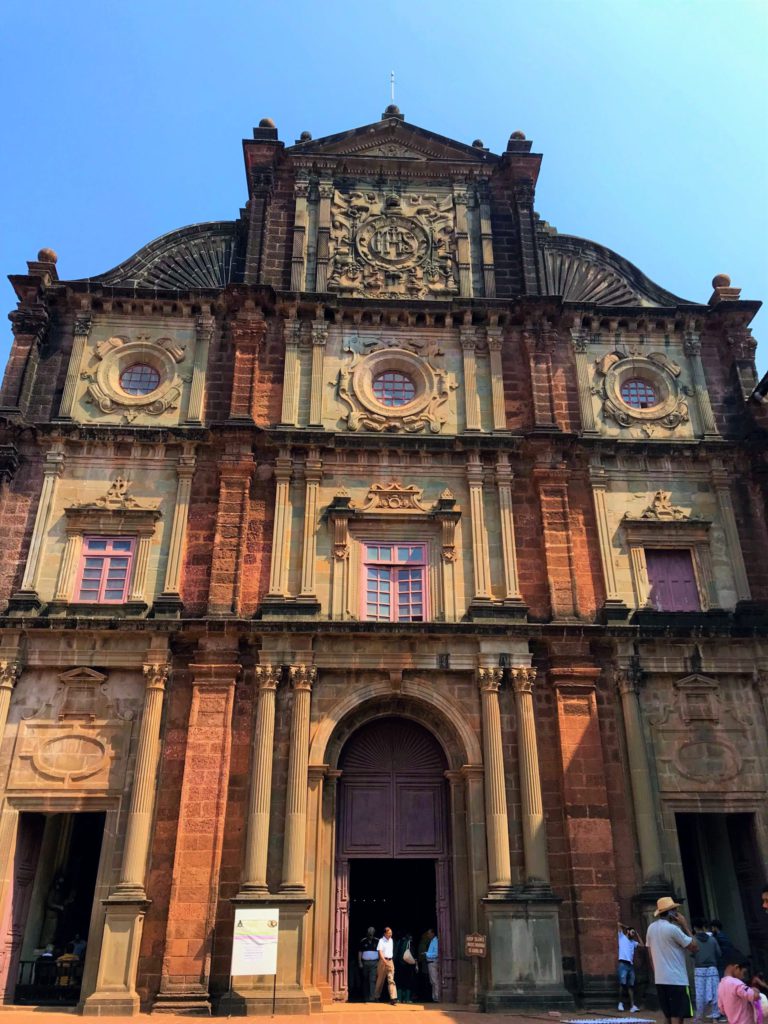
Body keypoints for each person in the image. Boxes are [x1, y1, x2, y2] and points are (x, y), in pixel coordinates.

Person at [646, 896, 699, 1024]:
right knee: (677, 1016)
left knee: (668, 1015)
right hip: (676, 979)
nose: (677, 913)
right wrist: (685, 925)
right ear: (671, 913)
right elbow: (694, 947)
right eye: (675, 910)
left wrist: (657, 973)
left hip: (660, 978)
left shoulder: (651, 928)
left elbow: (650, 954)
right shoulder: (673, 929)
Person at [692, 919, 721, 1022]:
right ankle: (715, 1018)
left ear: (694, 928)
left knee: (700, 995)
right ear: (704, 927)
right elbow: (719, 953)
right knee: (715, 994)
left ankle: (700, 1018)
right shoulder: (713, 939)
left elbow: (692, 953)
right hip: (713, 970)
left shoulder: (693, 940)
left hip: (699, 970)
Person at [717, 958, 759, 1024]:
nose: (743, 977)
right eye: (744, 973)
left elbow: (721, 1009)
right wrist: (755, 990)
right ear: (736, 967)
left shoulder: (721, 984)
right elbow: (755, 996)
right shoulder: (737, 984)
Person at [617, 922, 644, 1012]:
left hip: (630, 965)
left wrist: (637, 934)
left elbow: (643, 946)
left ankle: (632, 1006)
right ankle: (620, 1003)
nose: (633, 934)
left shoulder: (633, 943)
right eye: (632, 932)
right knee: (622, 984)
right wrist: (627, 926)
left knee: (631, 985)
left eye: (634, 933)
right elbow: (618, 924)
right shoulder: (621, 937)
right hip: (623, 964)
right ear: (627, 932)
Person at [374, 926, 398, 1005]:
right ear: (385, 933)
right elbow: (380, 952)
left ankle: (393, 998)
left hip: (390, 961)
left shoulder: (391, 940)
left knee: (391, 980)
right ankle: (376, 997)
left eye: (391, 933)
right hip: (383, 961)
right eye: (389, 933)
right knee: (380, 980)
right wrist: (384, 961)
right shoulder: (381, 941)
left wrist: (389, 961)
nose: (390, 935)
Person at [394, 932, 418, 1004]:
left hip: (399, 965)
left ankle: (399, 999)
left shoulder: (398, 942)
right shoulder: (410, 943)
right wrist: (416, 965)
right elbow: (413, 955)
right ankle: (407, 999)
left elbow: (395, 954)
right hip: (408, 966)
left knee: (399, 981)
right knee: (408, 982)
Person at [358, 926, 379, 1002]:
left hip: (374, 963)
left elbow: (380, 952)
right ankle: (365, 997)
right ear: (367, 933)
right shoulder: (363, 941)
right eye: (369, 933)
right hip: (365, 963)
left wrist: (379, 962)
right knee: (365, 980)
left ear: (374, 933)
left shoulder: (377, 941)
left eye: (372, 933)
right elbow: (360, 952)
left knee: (372, 980)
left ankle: (372, 997)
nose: (371, 934)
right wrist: (360, 962)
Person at [425, 927, 439, 1003]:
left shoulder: (435, 941)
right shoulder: (432, 941)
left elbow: (436, 954)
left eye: (429, 933)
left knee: (435, 981)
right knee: (432, 981)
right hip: (430, 963)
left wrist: (427, 954)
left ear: (433, 933)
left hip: (433, 963)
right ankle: (434, 997)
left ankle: (437, 997)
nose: (428, 935)